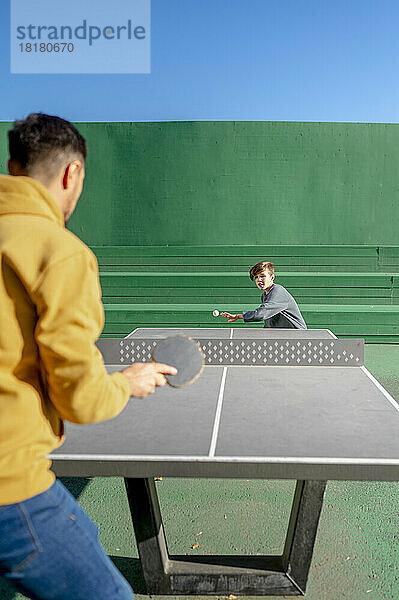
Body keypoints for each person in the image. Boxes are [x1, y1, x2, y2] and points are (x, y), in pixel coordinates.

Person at [0, 113, 177, 600]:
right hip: (8, 486)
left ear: (13, 166)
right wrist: (126, 382)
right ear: (71, 174)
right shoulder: (59, 252)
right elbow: (78, 398)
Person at [221, 260, 307, 329]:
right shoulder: (265, 295)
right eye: (256, 277)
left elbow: (261, 313)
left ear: (272, 277)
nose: (259, 280)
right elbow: (269, 322)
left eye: (262, 276)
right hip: (283, 337)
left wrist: (238, 316)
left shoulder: (278, 291)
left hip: (298, 337)